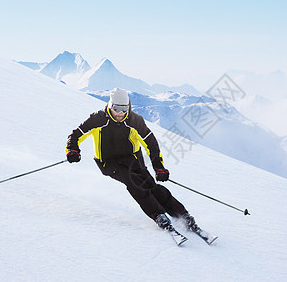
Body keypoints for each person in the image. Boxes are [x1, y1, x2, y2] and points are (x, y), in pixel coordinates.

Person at [65, 87, 198, 232]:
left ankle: (183, 216)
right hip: (108, 163)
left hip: (133, 161)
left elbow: (151, 144)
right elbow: (76, 134)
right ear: (110, 105)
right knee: (134, 182)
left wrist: (159, 167)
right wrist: (73, 150)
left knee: (152, 186)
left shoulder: (135, 121)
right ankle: (159, 216)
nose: (120, 114)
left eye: (124, 109)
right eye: (117, 109)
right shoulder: (98, 119)